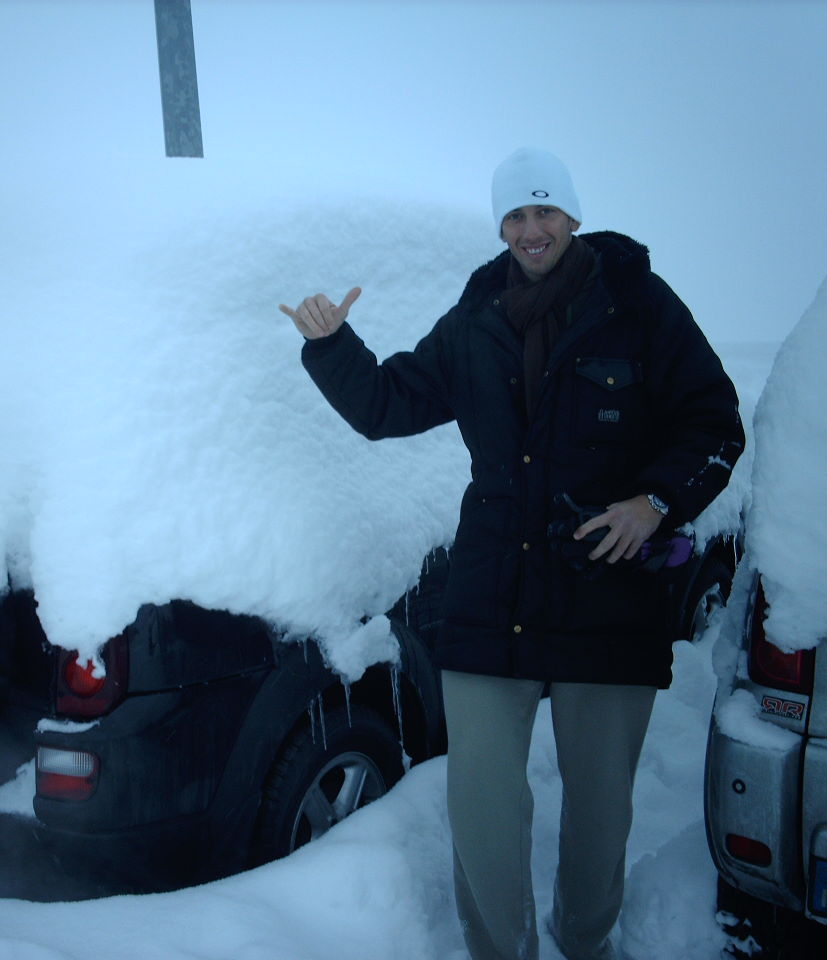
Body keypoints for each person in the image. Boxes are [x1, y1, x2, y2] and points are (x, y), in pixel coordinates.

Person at [279, 147, 744, 960]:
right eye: (516, 216)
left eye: (545, 212)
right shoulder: (476, 319)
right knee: (484, 810)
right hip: (494, 599)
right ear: (501, 226)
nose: (532, 230)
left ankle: (586, 940)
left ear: (571, 215)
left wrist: (654, 503)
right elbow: (389, 404)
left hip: (608, 600)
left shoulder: (637, 305)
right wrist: (332, 345)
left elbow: (714, 420)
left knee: (600, 815)